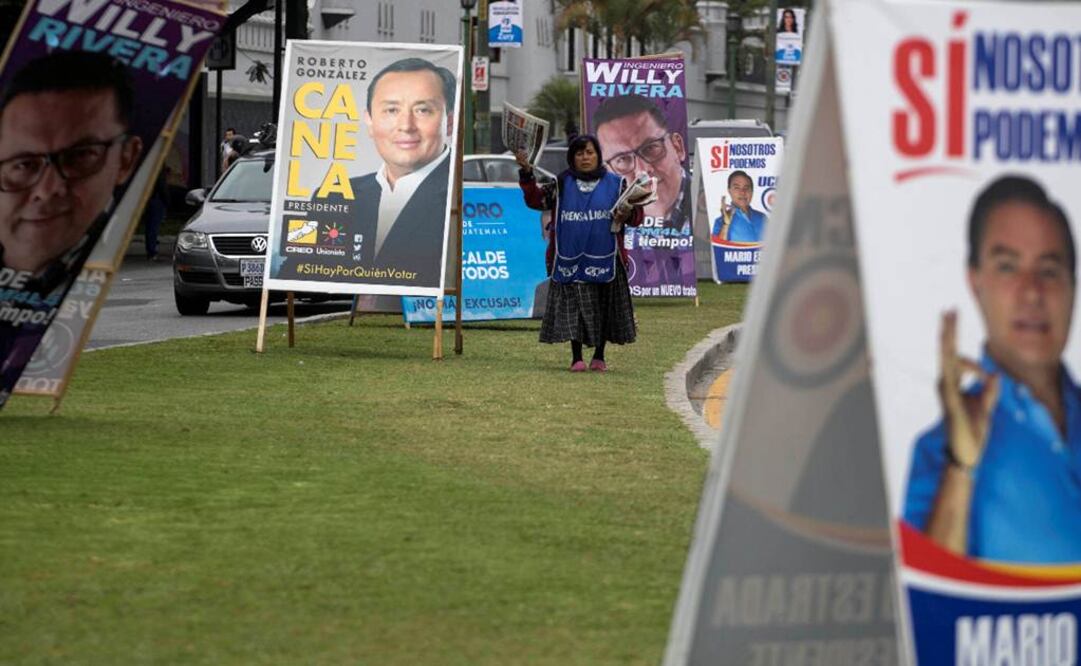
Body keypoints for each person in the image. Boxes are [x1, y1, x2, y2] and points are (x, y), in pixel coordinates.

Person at [903, 175, 1081, 563]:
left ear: (1073, 283)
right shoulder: (939, 450)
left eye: (1049, 270)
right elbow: (932, 604)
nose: (1032, 291)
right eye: (1007, 267)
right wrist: (959, 469)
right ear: (975, 281)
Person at [0, 51, 143, 401]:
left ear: (126, 159)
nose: (47, 191)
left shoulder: (97, 253)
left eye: (80, 156)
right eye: (24, 163)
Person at [314, 57, 455, 287]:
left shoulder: (460, 196)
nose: (406, 125)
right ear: (369, 121)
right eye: (391, 110)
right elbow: (295, 269)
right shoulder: (334, 195)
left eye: (422, 110)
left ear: (449, 122)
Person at [516, 135, 645, 372]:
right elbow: (536, 200)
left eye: (589, 152)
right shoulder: (560, 184)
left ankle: (599, 356)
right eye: (579, 153)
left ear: (598, 155)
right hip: (570, 257)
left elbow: (636, 217)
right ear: (572, 157)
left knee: (603, 305)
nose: (584, 157)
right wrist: (526, 173)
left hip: (607, 257)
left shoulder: (616, 184)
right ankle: (576, 358)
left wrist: (629, 210)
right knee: (574, 308)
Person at [593, 95, 693, 291]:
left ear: (678, 147)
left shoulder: (706, 207)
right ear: (606, 169)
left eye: (651, 148)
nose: (642, 171)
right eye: (622, 159)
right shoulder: (602, 215)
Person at [712, 170, 767, 243]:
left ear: (752, 191)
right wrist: (725, 225)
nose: (742, 192)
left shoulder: (762, 218)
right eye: (737, 188)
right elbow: (718, 249)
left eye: (746, 188)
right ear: (729, 191)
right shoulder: (720, 222)